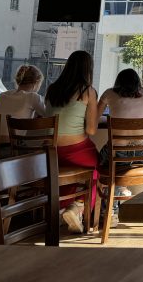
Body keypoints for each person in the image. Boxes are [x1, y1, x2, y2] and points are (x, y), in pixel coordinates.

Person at [96, 68, 143, 226]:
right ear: (138, 83)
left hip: (117, 154)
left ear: (118, 82)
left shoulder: (109, 94)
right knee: (125, 161)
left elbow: (95, 117)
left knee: (100, 161)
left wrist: (113, 120)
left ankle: (109, 212)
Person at [45, 50, 99, 234]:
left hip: (50, 152)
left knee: (66, 174)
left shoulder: (52, 88)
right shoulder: (88, 91)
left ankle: (62, 210)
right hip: (76, 151)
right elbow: (91, 130)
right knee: (95, 169)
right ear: (88, 69)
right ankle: (77, 208)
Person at [0, 64, 46, 142]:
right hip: (14, 148)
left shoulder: (3, 95)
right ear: (36, 83)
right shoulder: (33, 97)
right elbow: (48, 113)